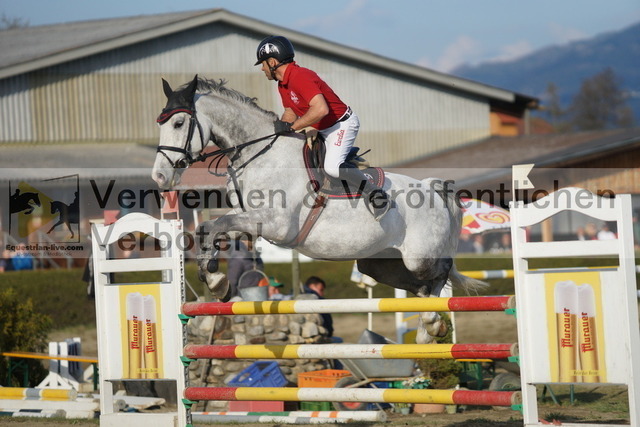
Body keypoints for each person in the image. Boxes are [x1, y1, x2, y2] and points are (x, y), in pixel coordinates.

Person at [254, 35, 390, 221]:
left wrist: (293, 127)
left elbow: (321, 109)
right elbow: (290, 112)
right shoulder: (282, 84)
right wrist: (276, 132)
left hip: (341, 124)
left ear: (272, 62)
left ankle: (376, 195)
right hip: (321, 127)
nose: (262, 69)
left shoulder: (299, 76)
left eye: (263, 64)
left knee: (332, 168)